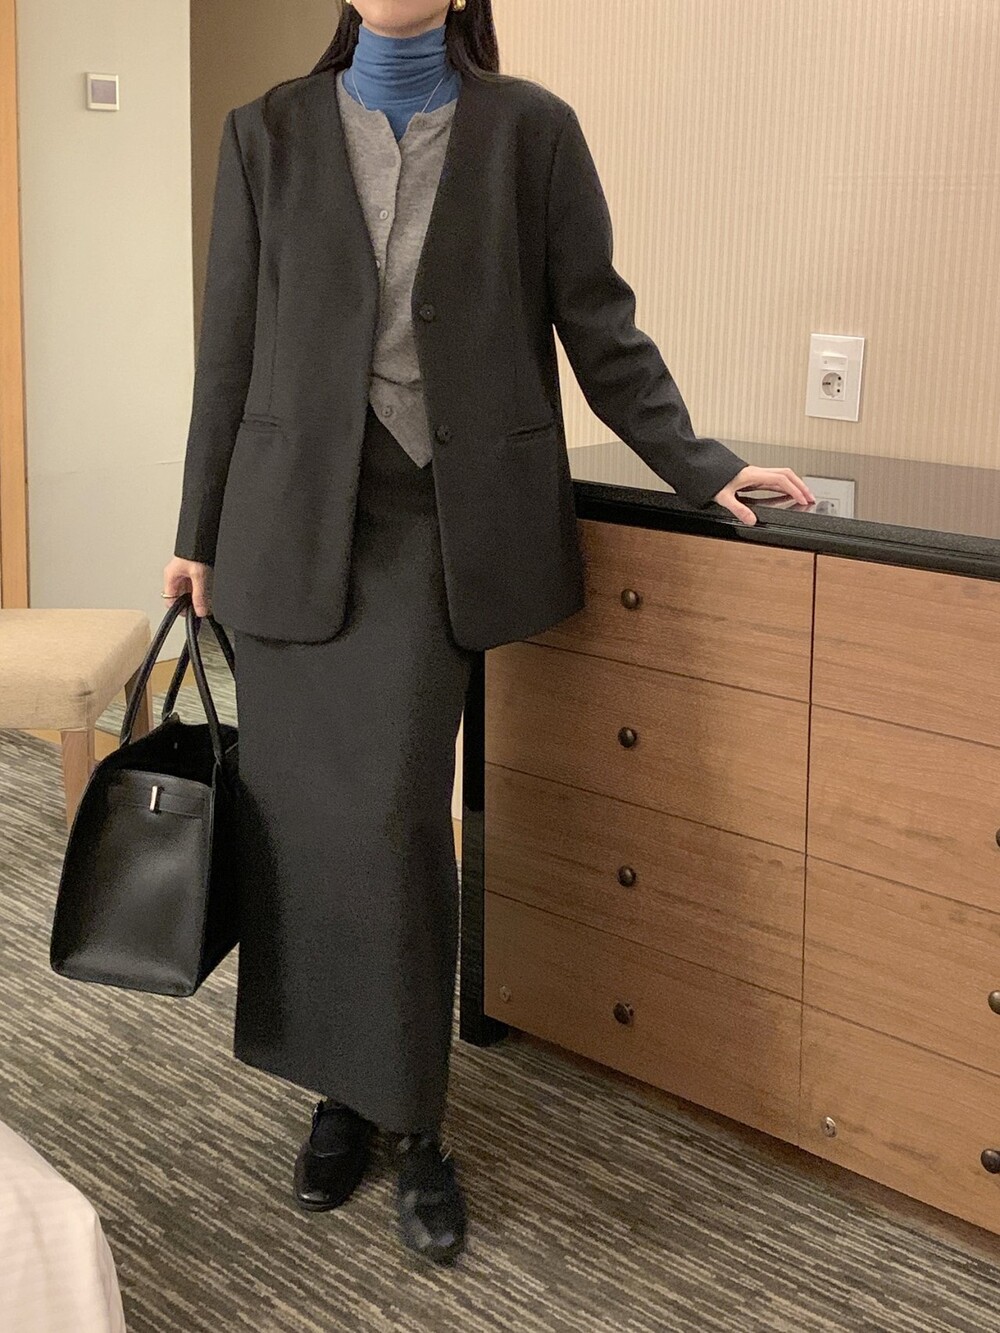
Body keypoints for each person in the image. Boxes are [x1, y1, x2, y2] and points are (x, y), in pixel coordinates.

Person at [162, 0, 814, 1266]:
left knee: (396, 820)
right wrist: (196, 531)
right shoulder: (265, 134)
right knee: (303, 823)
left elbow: (597, 325)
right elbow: (226, 351)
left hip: (436, 526)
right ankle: (337, 1095)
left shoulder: (531, 132)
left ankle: (416, 1124)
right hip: (288, 524)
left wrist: (701, 464)